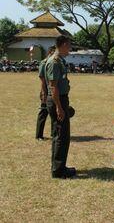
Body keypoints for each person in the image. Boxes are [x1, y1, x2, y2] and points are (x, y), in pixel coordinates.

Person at [45, 35, 76, 179]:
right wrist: (59, 107)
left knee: (61, 136)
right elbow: (53, 86)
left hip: (61, 99)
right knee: (61, 137)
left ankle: (60, 166)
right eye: (69, 45)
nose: (70, 48)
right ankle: (58, 170)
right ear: (63, 45)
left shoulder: (60, 61)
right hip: (58, 100)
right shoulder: (54, 62)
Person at [35, 45, 56, 140]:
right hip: (46, 90)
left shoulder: (56, 62)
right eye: (54, 52)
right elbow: (42, 80)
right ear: (50, 52)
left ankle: (54, 133)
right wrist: (44, 93)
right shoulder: (44, 63)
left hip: (54, 91)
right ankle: (39, 135)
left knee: (54, 112)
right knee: (43, 112)